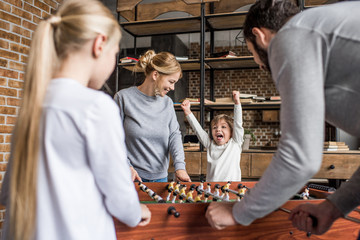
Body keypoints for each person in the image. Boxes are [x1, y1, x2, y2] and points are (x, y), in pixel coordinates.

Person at [205, 0, 360, 236]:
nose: (259, 65)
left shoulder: (291, 37)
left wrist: (238, 212)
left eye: (251, 52)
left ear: (260, 36)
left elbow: (300, 158)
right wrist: (333, 207)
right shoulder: (317, 30)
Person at [0, 0, 151, 239]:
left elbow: (7, 194)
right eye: (114, 54)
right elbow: (120, 197)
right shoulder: (97, 107)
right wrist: (136, 212)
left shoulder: (31, 106)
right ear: (99, 44)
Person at [114, 50, 191, 183]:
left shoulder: (167, 103)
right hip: (130, 176)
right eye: (171, 81)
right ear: (155, 75)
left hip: (160, 178)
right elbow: (113, 137)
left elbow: (174, 135)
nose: (173, 88)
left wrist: (180, 167)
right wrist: (126, 166)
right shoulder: (123, 98)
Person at [181, 91, 244, 181]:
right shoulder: (210, 145)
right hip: (212, 189)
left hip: (231, 189)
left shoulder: (235, 143)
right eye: (215, 127)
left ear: (231, 132)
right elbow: (198, 130)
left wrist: (237, 102)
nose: (218, 129)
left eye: (223, 127)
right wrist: (187, 111)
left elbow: (238, 124)